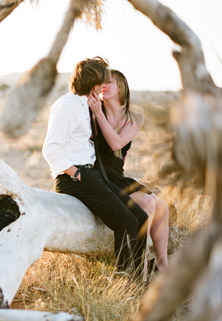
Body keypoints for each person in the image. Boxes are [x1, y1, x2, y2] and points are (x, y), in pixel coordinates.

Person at [42, 57, 148, 279]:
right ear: (93, 83)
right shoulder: (68, 105)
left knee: (140, 216)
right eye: (102, 82)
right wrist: (77, 173)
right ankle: (124, 282)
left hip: (92, 174)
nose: (104, 87)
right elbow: (50, 149)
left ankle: (138, 278)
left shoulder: (85, 105)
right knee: (126, 221)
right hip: (74, 177)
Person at [88, 69, 169, 275]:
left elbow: (117, 143)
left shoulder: (134, 118)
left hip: (118, 175)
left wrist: (98, 114)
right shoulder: (93, 112)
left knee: (162, 207)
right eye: (101, 83)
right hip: (100, 175)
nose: (104, 85)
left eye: (110, 82)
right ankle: (139, 267)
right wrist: (97, 113)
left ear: (122, 86)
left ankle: (162, 265)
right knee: (148, 204)